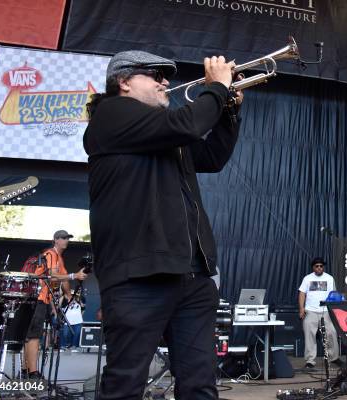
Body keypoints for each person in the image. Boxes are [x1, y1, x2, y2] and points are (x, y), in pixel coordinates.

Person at [83, 50, 243, 400]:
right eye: (154, 75)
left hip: (191, 277)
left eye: (164, 76)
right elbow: (188, 123)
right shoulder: (111, 114)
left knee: (200, 383)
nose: (165, 82)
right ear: (123, 82)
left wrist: (229, 110)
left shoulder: (163, 133)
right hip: (139, 276)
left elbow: (212, 157)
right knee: (126, 383)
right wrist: (216, 88)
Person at [24, 230, 88, 379]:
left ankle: (26, 369)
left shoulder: (59, 258)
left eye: (68, 238)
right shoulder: (51, 254)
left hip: (45, 299)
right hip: (38, 297)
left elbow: (64, 280)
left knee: (32, 335)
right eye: (63, 238)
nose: (66, 241)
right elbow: (53, 274)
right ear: (55, 240)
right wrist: (75, 275)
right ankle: (32, 372)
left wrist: (69, 295)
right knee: (33, 336)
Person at [298, 257, 342, 369]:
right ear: (313, 268)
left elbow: (334, 295)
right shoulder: (307, 278)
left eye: (321, 266)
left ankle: (334, 358)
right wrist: (301, 309)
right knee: (309, 335)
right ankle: (310, 361)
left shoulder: (329, 278)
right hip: (310, 311)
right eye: (316, 266)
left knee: (332, 333)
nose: (319, 268)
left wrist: (335, 310)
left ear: (323, 267)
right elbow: (302, 294)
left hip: (326, 311)